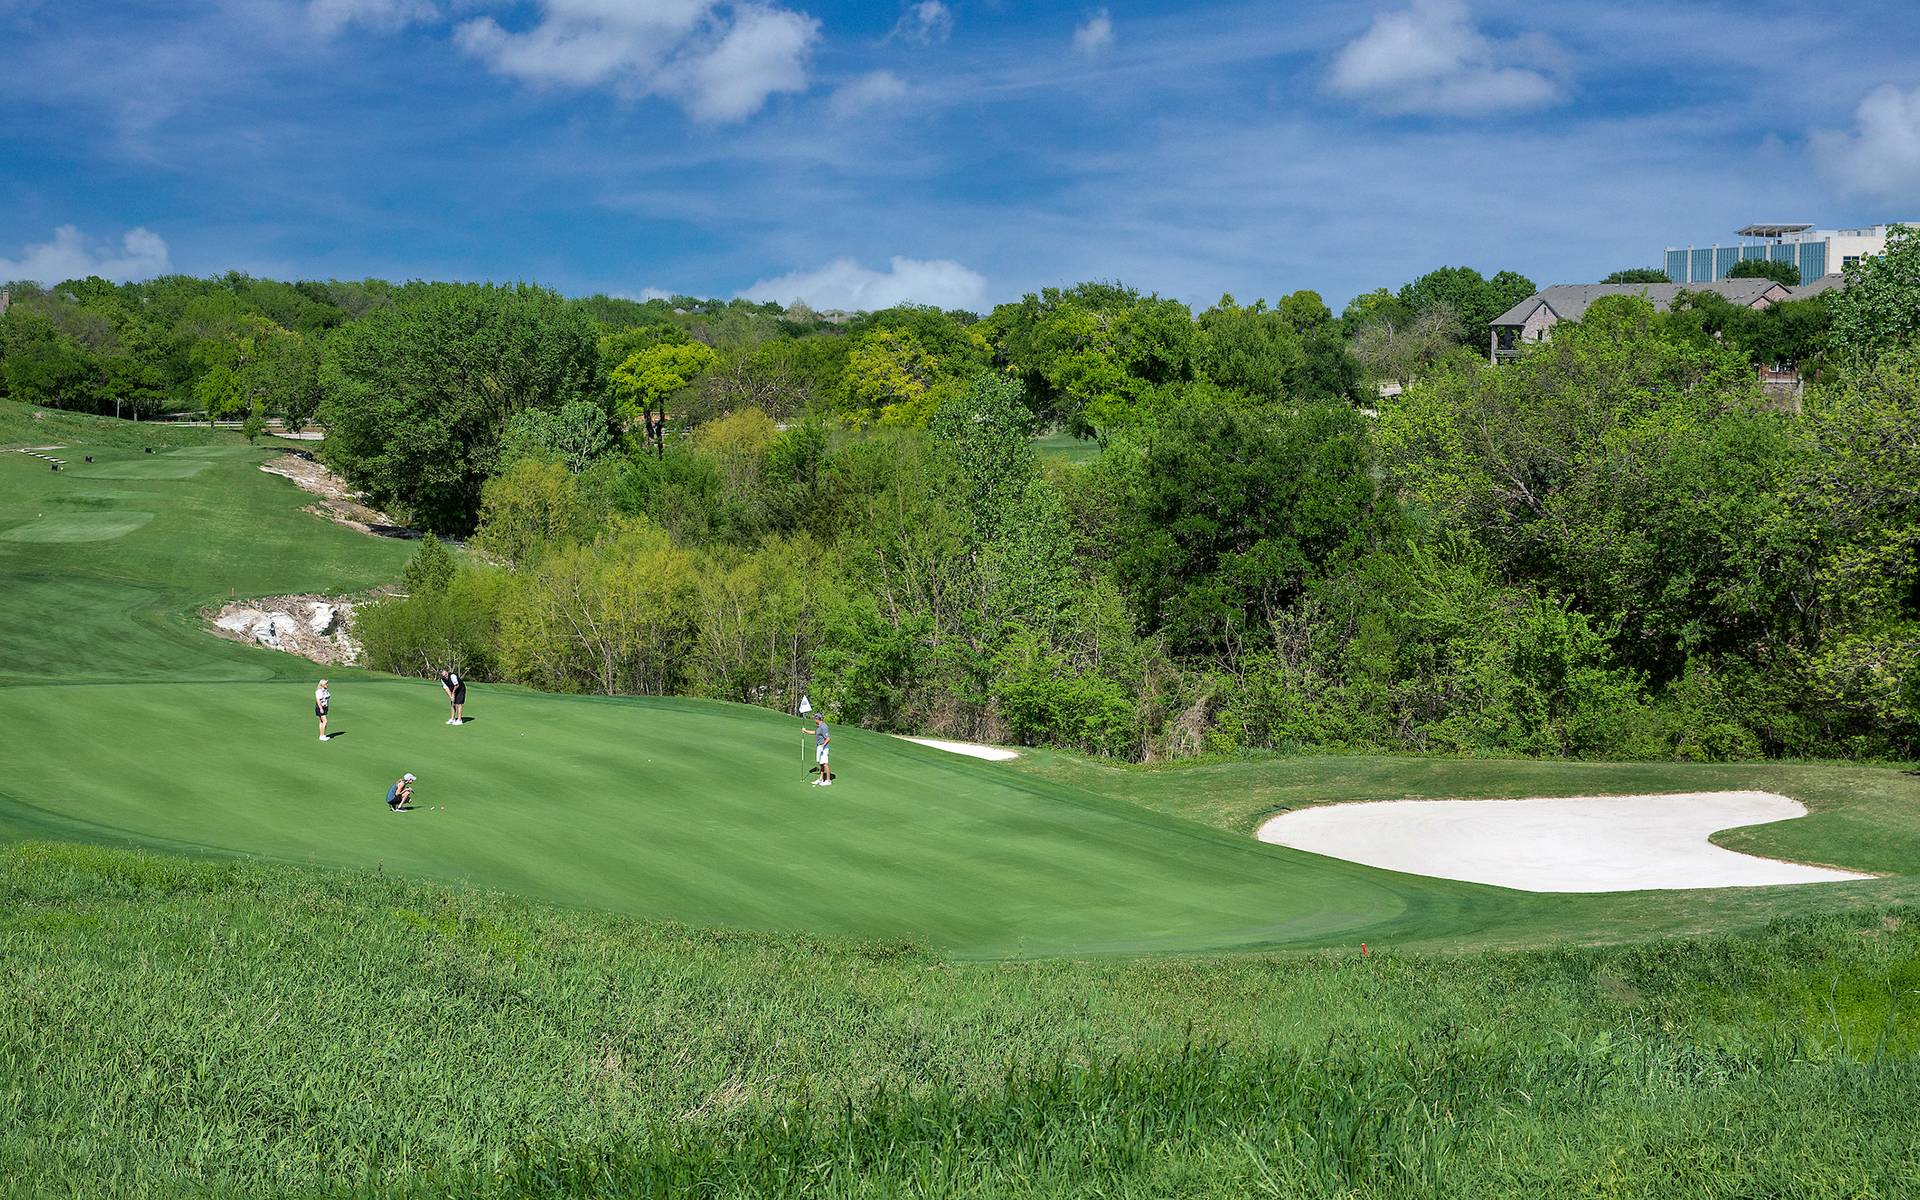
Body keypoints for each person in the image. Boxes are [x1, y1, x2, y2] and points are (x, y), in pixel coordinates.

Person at [806, 713, 831, 786]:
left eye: (815, 718)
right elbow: (815, 732)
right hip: (820, 746)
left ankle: (828, 780)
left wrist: (822, 746)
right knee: (820, 763)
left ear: (817, 719)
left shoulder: (824, 726)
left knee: (825, 763)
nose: (814, 720)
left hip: (823, 747)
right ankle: (821, 778)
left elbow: (828, 738)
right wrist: (806, 731)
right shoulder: (819, 726)